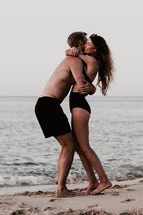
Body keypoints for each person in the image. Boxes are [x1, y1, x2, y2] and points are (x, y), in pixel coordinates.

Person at [34, 31, 95, 197]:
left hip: (46, 105)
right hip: (49, 105)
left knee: (66, 146)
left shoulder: (71, 57)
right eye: (86, 41)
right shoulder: (73, 59)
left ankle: (61, 186)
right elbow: (81, 84)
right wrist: (92, 87)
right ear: (81, 43)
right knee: (70, 145)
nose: (87, 44)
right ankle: (61, 188)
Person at [66, 34, 114, 195]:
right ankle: (92, 181)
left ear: (96, 48)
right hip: (78, 105)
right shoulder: (90, 60)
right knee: (80, 147)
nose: (86, 45)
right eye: (85, 43)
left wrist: (74, 50)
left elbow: (71, 53)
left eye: (89, 43)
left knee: (84, 146)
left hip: (80, 105)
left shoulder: (92, 61)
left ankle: (104, 180)